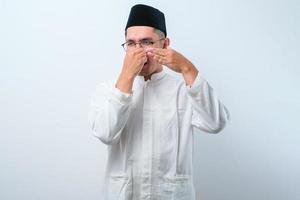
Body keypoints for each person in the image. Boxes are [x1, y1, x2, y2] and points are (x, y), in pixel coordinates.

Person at [88, 4, 230, 200]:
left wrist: (188, 69)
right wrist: (126, 78)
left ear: (165, 44)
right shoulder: (107, 89)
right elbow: (105, 133)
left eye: (146, 42)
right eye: (131, 43)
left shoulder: (184, 90)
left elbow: (216, 123)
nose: (137, 51)